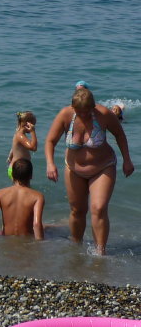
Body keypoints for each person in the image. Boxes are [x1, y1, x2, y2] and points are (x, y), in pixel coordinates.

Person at [45, 88, 134, 255]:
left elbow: (120, 135)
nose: (84, 115)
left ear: (93, 107)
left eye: (87, 112)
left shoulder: (104, 114)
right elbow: (50, 141)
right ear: (73, 108)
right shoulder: (65, 115)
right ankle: (75, 246)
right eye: (79, 112)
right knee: (77, 210)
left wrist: (127, 160)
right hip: (74, 169)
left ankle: (100, 253)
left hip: (103, 167)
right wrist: (50, 164)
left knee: (99, 208)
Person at [0, 159, 45, 240]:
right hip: (26, 242)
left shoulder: (0, 194)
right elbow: (37, 224)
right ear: (31, 176)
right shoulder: (38, 197)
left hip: (6, 240)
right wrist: (39, 243)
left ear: (12, 175)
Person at [6, 111, 37, 180]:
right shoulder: (20, 136)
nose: (34, 127)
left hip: (17, 169)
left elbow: (14, 147)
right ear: (28, 125)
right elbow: (34, 147)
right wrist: (33, 132)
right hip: (18, 170)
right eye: (33, 125)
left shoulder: (18, 134)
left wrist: (10, 157)